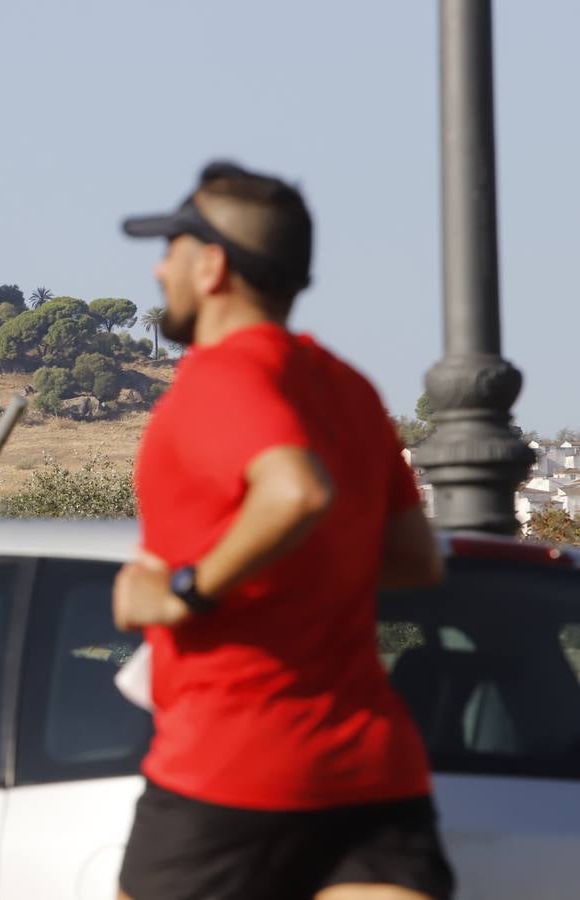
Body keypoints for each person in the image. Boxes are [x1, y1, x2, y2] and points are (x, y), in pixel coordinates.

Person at [112, 161, 454, 900]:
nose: (157, 266)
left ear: (212, 266)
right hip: (371, 771)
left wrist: (184, 590)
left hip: (229, 764)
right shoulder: (349, 389)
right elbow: (415, 559)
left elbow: (296, 490)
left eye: (171, 247)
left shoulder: (218, 379)